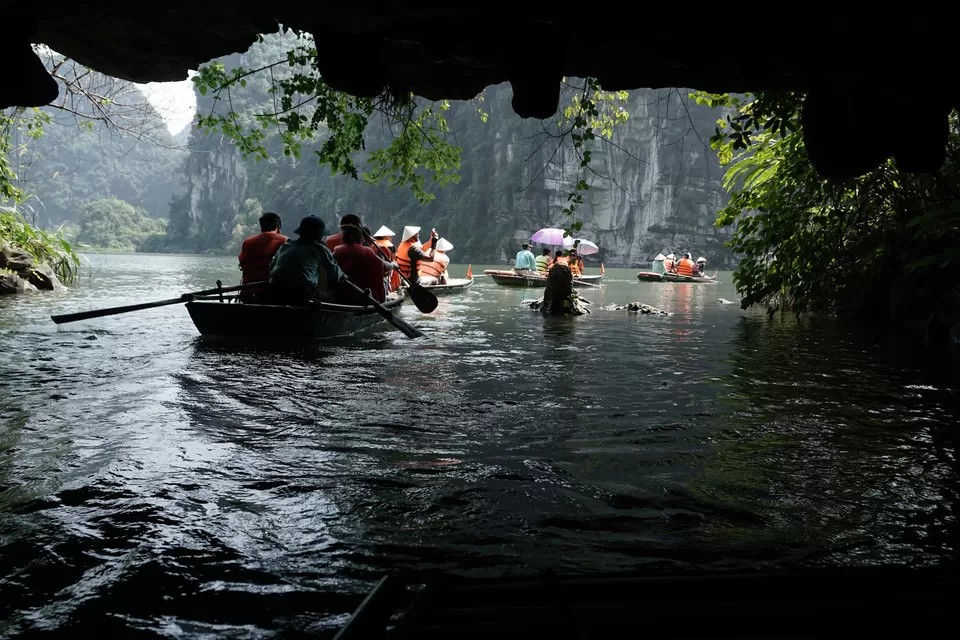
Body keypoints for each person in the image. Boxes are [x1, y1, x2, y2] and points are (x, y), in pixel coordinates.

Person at [267, 215, 345, 304]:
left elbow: (271, 267)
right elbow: (335, 274)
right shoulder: (320, 249)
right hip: (302, 292)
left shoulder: (286, 246)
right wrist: (343, 276)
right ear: (318, 235)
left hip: (274, 289)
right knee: (331, 300)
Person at [237, 212, 287, 299]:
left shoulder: (247, 242)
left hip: (248, 291)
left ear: (262, 227)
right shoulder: (285, 241)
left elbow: (242, 263)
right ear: (278, 228)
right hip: (275, 292)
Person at [333, 225, 386, 303]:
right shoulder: (368, 252)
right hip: (364, 296)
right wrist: (393, 265)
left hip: (341, 297)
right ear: (360, 239)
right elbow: (381, 266)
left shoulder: (336, 252)